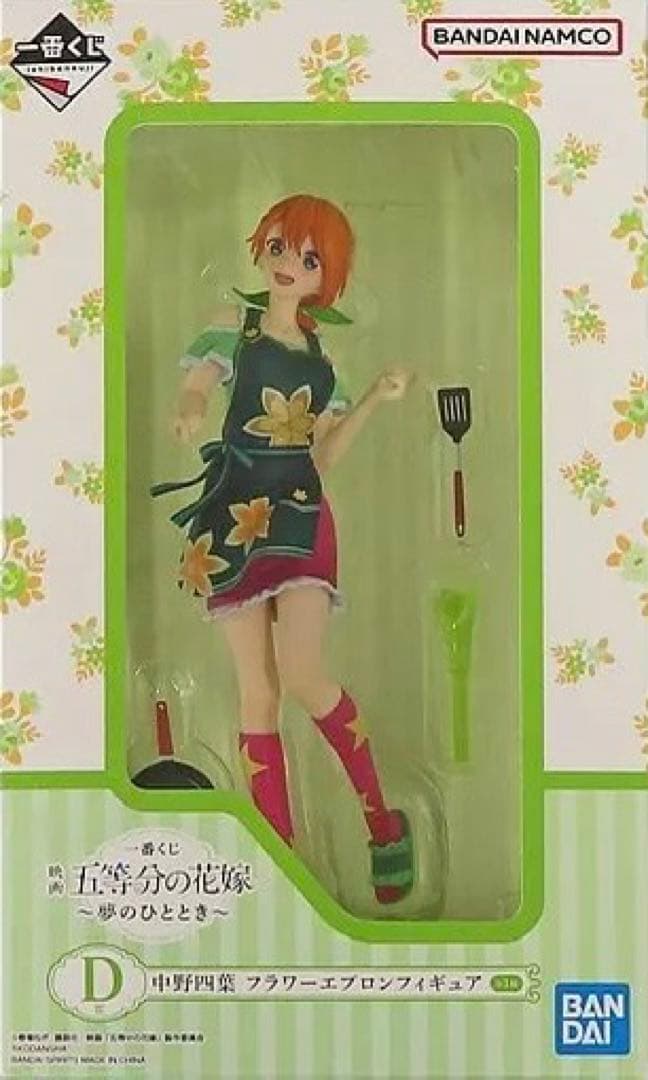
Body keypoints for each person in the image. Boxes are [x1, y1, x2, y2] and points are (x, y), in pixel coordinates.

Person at [153, 194, 415, 903]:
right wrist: (189, 406)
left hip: (299, 513)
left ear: (327, 278)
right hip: (232, 517)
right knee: (258, 691)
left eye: (308, 258)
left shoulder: (324, 365)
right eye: (278, 247)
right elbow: (197, 386)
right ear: (259, 246)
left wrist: (372, 400)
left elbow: (323, 456)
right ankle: (283, 858)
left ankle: (381, 820)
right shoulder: (229, 331)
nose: (287, 265)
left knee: (302, 672)